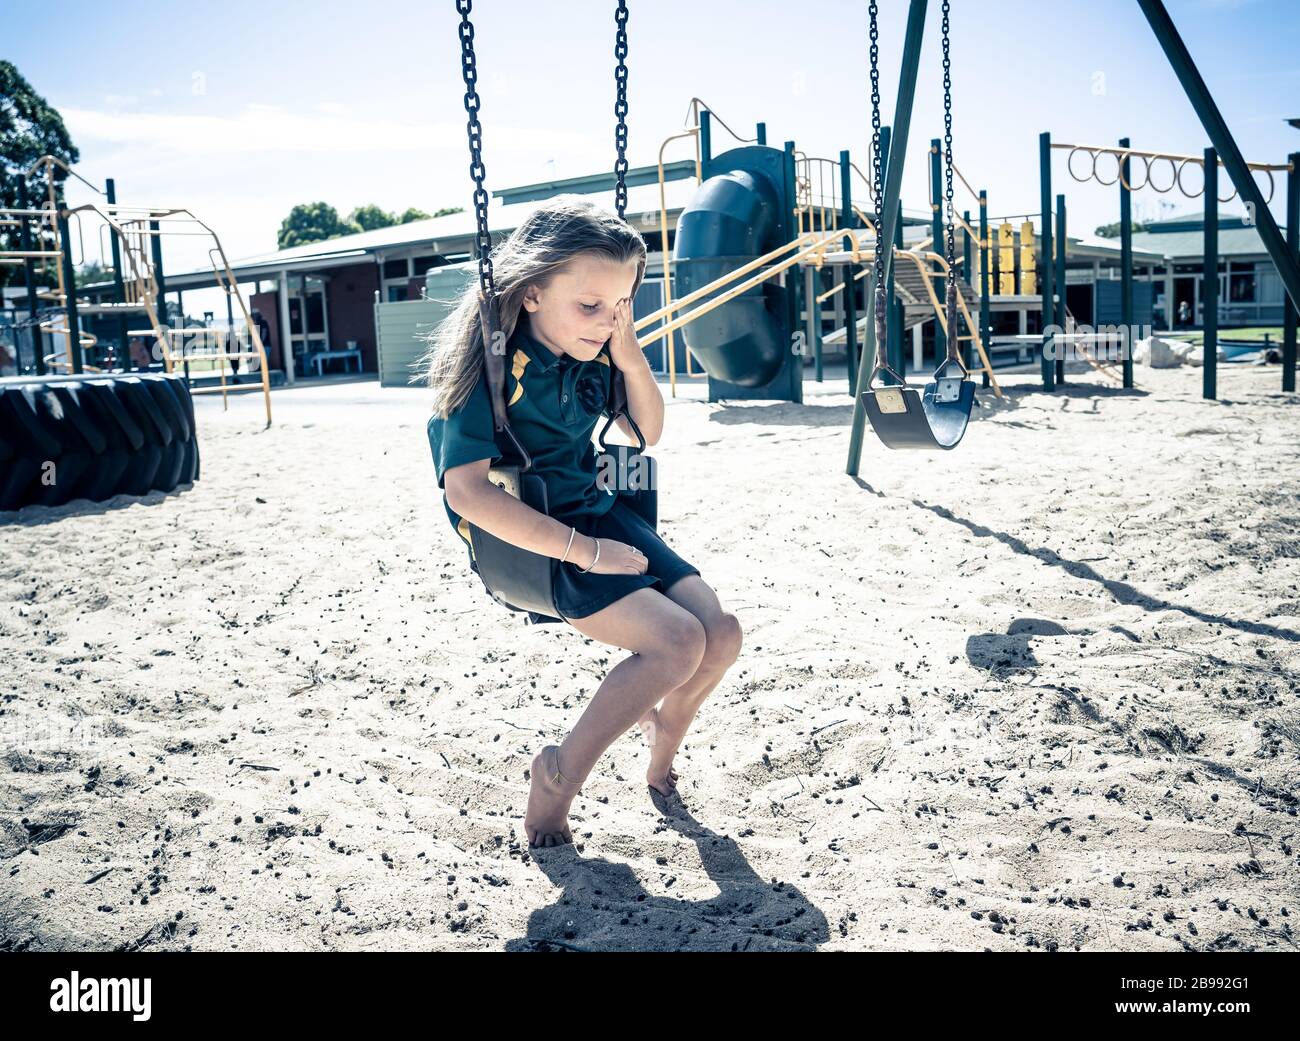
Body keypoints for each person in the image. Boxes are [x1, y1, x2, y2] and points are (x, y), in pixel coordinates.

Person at [424, 196, 742, 849]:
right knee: (678, 644)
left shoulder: (597, 354)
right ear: (532, 292)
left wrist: (628, 353)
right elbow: (467, 492)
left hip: (604, 510)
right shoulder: (488, 370)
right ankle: (556, 779)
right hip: (542, 537)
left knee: (722, 633)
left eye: (620, 306)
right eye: (590, 306)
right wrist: (586, 553)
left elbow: (645, 431)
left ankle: (661, 744)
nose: (604, 322)